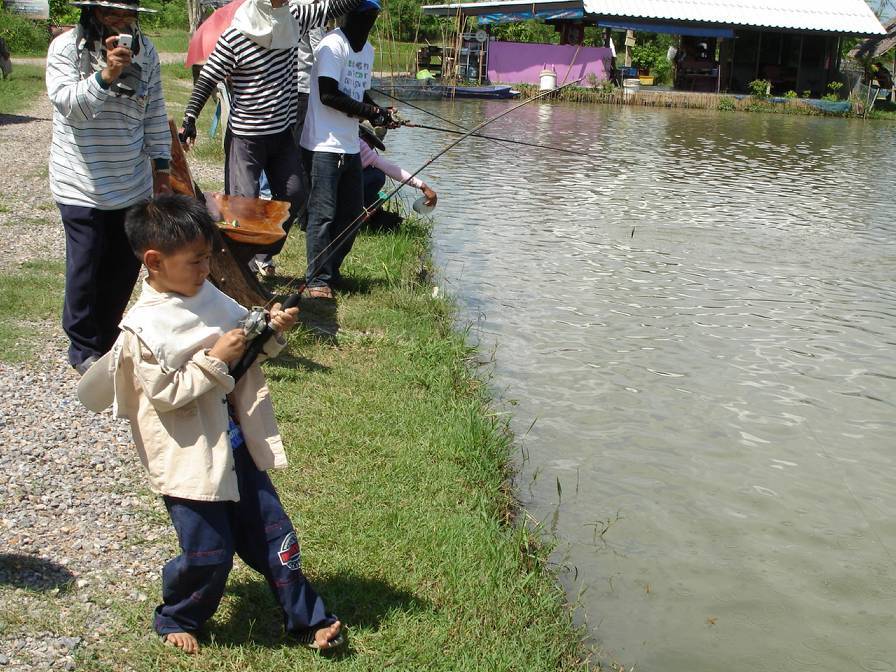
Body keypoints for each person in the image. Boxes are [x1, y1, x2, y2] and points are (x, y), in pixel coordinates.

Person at [77, 194, 343, 654]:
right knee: (209, 553)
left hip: (235, 440)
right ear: (155, 261)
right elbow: (166, 395)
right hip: (190, 456)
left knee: (277, 536)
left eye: (208, 257)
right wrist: (213, 359)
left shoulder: (206, 294)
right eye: (196, 261)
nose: (206, 269)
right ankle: (178, 615)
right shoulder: (144, 327)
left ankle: (308, 618)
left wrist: (270, 330)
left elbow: (244, 353)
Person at [180, 0, 361, 278]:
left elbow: (334, 7)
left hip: (282, 133)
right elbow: (208, 76)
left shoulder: (294, 17)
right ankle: (240, 266)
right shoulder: (235, 35)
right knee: (244, 207)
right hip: (247, 137)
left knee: (295, 194)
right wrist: (190, 118)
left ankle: (260, 254)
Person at [46, 0, 171, 375]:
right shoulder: (66, 48)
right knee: (85, 263)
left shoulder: (145, 51)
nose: (120, 23)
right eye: (110, 15)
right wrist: (106, 75)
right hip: (80, 180)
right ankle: (82, 345)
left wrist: (162, 168)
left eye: (126, 16)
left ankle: (105, 339)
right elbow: (70, 106)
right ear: (92, 15)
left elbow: (154, 111)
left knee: (121, 267)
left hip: (131, 179)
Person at [300, 0, 396, 299]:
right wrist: (370, 112)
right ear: (349, 14)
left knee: (353, 214)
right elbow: (328, 94)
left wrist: (380, 113)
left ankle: (331, 270)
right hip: (322, 144)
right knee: (323, 214)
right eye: (364, 14)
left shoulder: (367, 51)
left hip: (350, 144)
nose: (368, 20)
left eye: (373, 15)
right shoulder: (332, 45)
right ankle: (316, 279)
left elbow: (356, 91)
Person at [358, 121, 437, 229]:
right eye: (372, 142)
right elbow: (391, 169)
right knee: (377, 175)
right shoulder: (360, 145)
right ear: (362, 134)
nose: (372, 148)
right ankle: (357, 215)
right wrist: (423, 186)